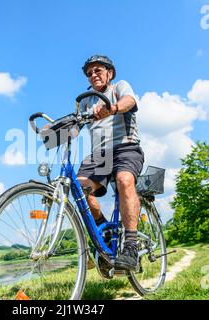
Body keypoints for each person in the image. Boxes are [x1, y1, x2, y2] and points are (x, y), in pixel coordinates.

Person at [77, 55, 144, 272]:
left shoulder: (119, 87)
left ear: (109, 73)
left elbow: (130, 102)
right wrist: (52, 132)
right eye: (89, 73)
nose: (93, 75)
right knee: (79, 188)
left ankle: (131, 247)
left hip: (126, 147)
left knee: (124, 180)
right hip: (99, 156)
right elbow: (75, 126)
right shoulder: (85, 100)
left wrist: (112, 108)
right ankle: (103, 231)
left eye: (98, 70)